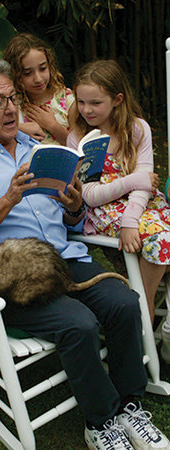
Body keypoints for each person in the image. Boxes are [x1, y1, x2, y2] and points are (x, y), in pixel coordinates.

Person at [0, 59, 170, 450]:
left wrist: (74, 204)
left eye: (12, 97)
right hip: (13, 273)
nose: (12, 108)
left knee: (124, 303)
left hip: (65, 257)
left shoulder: (38, 147)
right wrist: (9, 198)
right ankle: (101, 422)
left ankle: (130, 405)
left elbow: (73, 222)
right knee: (78, 325)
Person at [67, 59, 170, 365]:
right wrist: (133, 181)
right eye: (81, 102)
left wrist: (130, 219)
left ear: (117, 99)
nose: (87, 110)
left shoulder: (137, 129)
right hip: (105, 212)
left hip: (143, 207)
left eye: (96, 103)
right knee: (161, 240)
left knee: (161, 237)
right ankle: (145, 303)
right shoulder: (80, 139)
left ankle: (165, 327)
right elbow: (90, 195)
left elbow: (145, 185)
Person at [3, 32, 76, 144]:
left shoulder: (67, 100)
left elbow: (80, 148)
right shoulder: (12, 105)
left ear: (50, 65)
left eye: (42, 68)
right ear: (15, 75)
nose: (38, 79)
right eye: (27, 73)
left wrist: (53, 126)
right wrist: (19, 128)